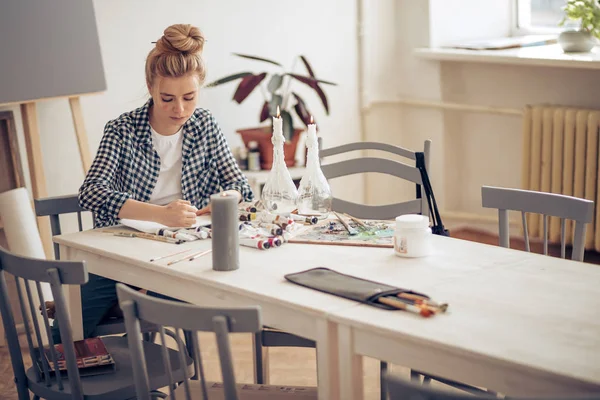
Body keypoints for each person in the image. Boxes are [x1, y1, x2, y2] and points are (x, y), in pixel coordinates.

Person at [50, 23, 253, 343]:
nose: (180, 109)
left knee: (171, 311)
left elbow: (241, 186)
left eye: (189, 97)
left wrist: (219, 202)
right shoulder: (121, 129)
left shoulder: (206, 125)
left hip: (181, 250)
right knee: (66, 326)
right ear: (150, 86)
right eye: (167, 98)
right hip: (120, 250)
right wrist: (160, 215)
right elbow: (91, 193)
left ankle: (153, 373)